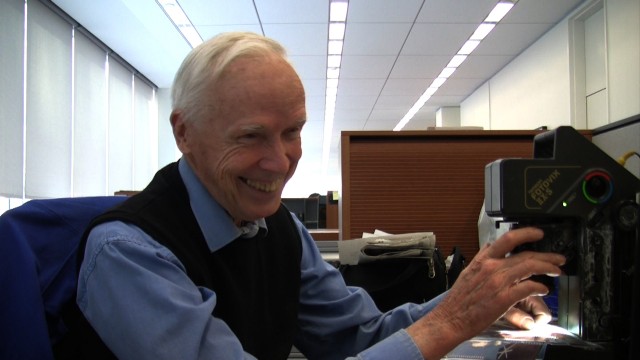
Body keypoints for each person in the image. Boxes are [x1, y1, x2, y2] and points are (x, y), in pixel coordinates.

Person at [76, 31, 565, 360]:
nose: (281, 161)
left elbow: (357, 334)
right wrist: (446, 323)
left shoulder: (279, 229)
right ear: (185, 132)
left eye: (293, 131)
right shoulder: (131, 254)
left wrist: (467, 306)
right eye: (250, 137)